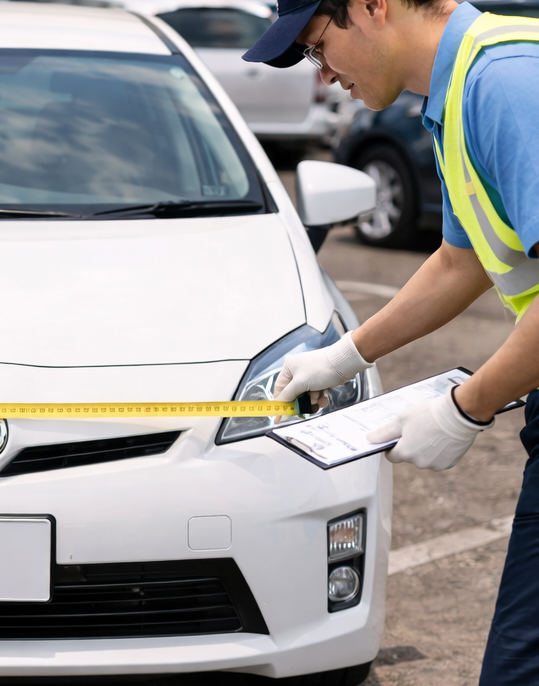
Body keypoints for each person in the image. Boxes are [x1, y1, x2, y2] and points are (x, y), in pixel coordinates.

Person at [242, 0, 539, 681]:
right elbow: (460, 262)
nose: (322, 75)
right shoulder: (455, 96)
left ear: (373, 6)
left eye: (317, 45)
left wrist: (467, 407)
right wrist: (344, 356)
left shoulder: (505, 82)